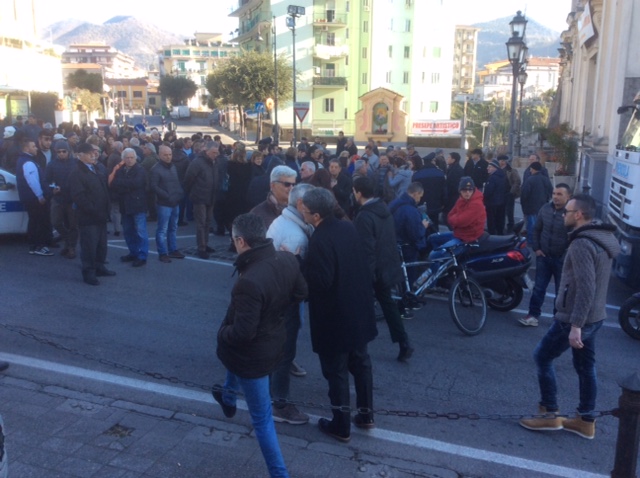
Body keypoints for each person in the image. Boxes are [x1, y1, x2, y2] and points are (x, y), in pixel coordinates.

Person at [213, 213, 307, 478]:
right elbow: (301, 293)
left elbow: (242, 334)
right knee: (233, 359)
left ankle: (280, 474)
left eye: (234, 240)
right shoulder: (287, 259)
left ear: (242, 241)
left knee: (262, 420)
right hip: (273, 341)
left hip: (253, 356)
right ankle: (228, 398)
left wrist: (222, 333)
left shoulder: (249, 281)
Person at [519, 194, 620, 440]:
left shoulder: (582, 243)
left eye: (568, 211)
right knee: (586, 367)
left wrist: (575, 325)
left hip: (574, 317)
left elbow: (586, 287)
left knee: (542, 357)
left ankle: (549, 414)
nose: (563, 214)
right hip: (595, 317)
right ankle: (585, 421)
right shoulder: (603, 237)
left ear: (579, 215)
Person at [301, 188, 378, 442]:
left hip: (335, 316)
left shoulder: (320, 238)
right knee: (361, 363)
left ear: (316, 215)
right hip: (358, 308)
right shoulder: (347, 227)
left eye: (305, 210)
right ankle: (366, 415)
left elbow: (321, 281)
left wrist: (300, 264)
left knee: (336, 371)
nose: (302, 212)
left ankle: (341, 425)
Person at [266, 183, 315, 425]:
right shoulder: (296, 235)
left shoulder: (285, 222)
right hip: (285, 300)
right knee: (285, 351)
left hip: (275, 296)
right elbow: (296, 278)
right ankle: (279, 403)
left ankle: (269, 393)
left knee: (277, 348)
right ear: (301, 204)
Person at [353, 177, 413, 362]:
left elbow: (367, 250)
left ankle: (358, 346)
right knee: (388, 305)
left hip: (373, 269)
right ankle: (403, 341)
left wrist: (365, 277)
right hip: (387, 264)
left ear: (358, 193)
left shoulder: (364, 216)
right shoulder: (383, 209)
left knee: (359, 307)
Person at [519, 184, 572, 327]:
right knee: (539, 288)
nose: (555, 197)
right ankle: (533, 315)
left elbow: (575, 237)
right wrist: (536, 249)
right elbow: (536, 230)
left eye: (560, 194)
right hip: (544, 257)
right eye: (554, 193)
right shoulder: (545, 209)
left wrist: (566, 256)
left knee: (561, 292)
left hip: (562, 260)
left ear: (568, 197)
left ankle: (557, 319)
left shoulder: (571, 213)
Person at [68, 143, 116, 285]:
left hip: (101, 214)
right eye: (89, 154)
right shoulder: (77, 173)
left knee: (101, 245)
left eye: (94, 153)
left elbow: (103, 188)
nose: (93, 155)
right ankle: (88, 272)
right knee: (89, 246)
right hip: (89, 217)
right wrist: (94, 209)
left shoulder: (95, 168)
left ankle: (99, 267)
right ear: (80, 155)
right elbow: (79, 196)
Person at [110, 148, 149, 267]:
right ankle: (133, 252)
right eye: (127, 157)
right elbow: (114, 184)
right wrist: (126, 184)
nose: (130, 160)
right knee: (128, 231)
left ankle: (142, 256)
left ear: (135, 158)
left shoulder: (140, 170)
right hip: (125, 205)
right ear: (123, 159)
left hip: (138, 205)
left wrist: (123, 184)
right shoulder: (120, 170)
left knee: (141, 232)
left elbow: (137, 183)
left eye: (132, 157)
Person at [15, 137, 54, 256]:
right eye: (33, 146)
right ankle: (38, 246)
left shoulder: (24, 160)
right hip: (33, 198)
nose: (36, 148)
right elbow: (32, 181)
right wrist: (40, 195)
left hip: (30, 197)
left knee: (34, 221)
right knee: (38, 222)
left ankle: (33, 245)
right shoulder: (28, 162)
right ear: (26, 148)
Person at [183, 142, 219, 259]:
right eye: (213, 152)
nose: (216, 155)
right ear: (206, 151)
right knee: (201, 223)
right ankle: (201, 247)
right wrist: (191, 192)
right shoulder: (197, 162)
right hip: (200, 197)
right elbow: (188, 179)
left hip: (210, 196)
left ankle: (205, 244)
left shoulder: (214, 162)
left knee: (208, 222)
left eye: (217, 152)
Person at [150, 145, 185, 263]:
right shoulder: (155, 169)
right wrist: (166, 195)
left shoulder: (173, 166)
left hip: (175, 201)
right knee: (162, 229)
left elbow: (176, 182)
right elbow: (153, 186)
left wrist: (179, 193)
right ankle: (162, 253)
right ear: (160, 155)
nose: (168, 157)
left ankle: (173, 249)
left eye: (170, 154)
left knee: (173, 227)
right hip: (164, 203)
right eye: (165, 155)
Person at [45, 140, 79, 259]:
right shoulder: (52, 164)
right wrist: (52, 190)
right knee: (56, 222)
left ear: (68, 151)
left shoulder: (76, 163)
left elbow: (79, 181)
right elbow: (47, 181)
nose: (61, 153)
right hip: (58, 198)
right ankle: (68, 241)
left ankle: (71, 247)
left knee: (73, 225)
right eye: (58, 152)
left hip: (72, 199)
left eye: (64, 151)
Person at [521, 161, 553, 244]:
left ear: (533, 169)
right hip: (543, 206)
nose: (530, 170)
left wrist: (524, 206)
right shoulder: (545, 179)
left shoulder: (530, 180)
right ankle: (539, 241)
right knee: (541, 226)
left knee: (532, 226)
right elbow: (551, 191)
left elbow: (524, 194)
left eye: (531, 169)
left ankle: (531, 242)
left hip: (531, 207)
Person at [411, 152, 446, 229]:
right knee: (435, 225)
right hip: (436, 204)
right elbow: (443, 190)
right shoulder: (440, 173)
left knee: (422, 225)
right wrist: (443, 203)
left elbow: (413, 189)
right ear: (432, 161)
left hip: (421, 204)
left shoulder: (417, 174)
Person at [483, 159, 508, 235]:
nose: (487, 168)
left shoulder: (492, 178)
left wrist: (484, 199)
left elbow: (488, 191)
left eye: (490, 167)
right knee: (500, 221)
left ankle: (492, 236)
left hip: (492, 203)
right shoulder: (503, 176)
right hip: (501, 202)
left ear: (495, 168)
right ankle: (500, 235)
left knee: (491, 221)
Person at [498, 155, 521, 233]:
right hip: (500, 194)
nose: (502, 162)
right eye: (500, 161)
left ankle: (510, 228)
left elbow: (517, 181)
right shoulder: (497, 170)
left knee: (509, 212)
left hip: (508, 194)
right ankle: (501, 227)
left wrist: (511, 192)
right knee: (500, 212)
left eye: (503, 161)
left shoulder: (511, 170)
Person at [444, 152, 464, 220]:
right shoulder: (451, 168)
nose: (447, 159)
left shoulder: (456, 170)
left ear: (453, 160)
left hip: (453, 197)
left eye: (449, 157)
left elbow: (452, 185)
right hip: (451, 196)